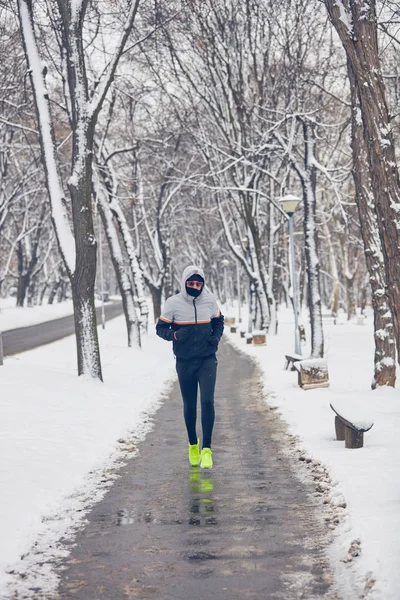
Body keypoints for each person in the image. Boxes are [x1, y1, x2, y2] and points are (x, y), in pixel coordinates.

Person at [156, 265, 224, 469]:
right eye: (191, 283)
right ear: (185, 283)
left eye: (199, 283)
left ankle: (207, 449)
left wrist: (215, 338)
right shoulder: (173, 303)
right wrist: (175, 335)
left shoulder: (210, 300)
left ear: (203, 283)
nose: (195, 286)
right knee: (190, 404)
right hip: (184, 362)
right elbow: (160, 329)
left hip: (207, 359)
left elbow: (219, 321)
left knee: (207, 401)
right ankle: (193, 445)